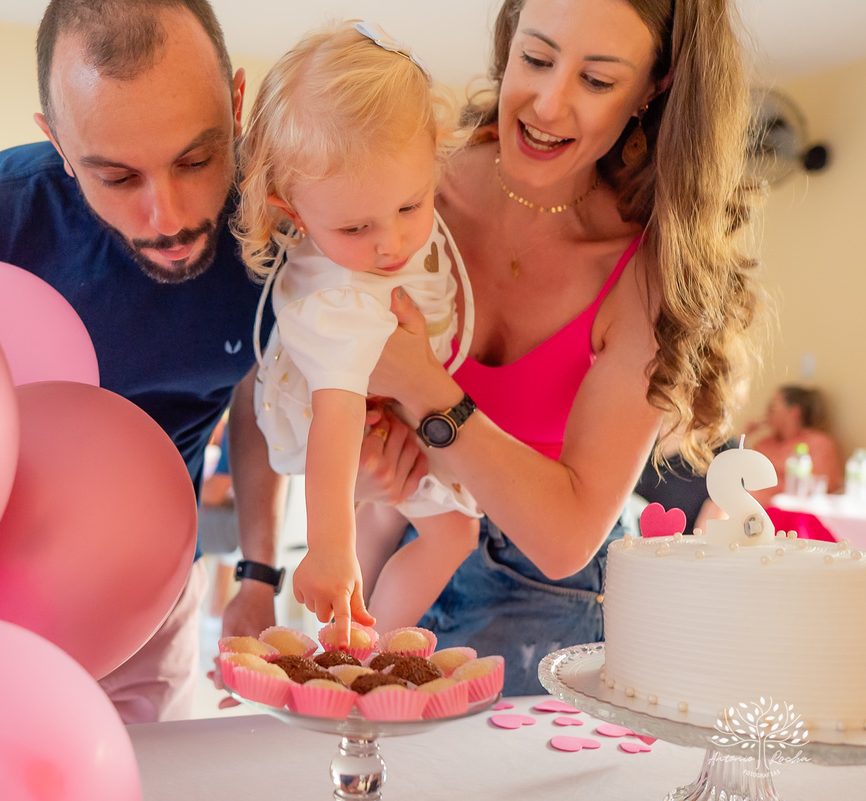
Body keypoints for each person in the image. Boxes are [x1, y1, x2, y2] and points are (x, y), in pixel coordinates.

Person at [356, 0, 763, 695]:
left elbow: (566, 535)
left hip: (548, 593)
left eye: (597, 81)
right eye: (537, 58)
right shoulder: (413, 189)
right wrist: (366, 472)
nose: (548, 104)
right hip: (395, 542)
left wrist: (428, 392)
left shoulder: (641, 272)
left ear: (652, 89)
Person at [0, 0, 287, 723]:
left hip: (156, 595)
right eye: (118, 178)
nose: (170, 216)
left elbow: (258, 396)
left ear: (238, 102)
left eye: (197, 158)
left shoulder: (278, 227)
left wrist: (258, 571)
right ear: (57, 143)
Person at [234, 20, 481, 644]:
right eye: (355, 229)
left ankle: (344, 646)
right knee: (455, 532)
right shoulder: (342, 297)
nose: (391, 243)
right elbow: (335, 418)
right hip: (333, 418)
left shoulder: (365, 203)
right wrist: (326, 546)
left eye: (410, 205)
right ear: (293, 213)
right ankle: (370, 649)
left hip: (371, 404)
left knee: (388, 509)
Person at [742, 384, 844, 504]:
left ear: (794, 412)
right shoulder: (764, 444)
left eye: (772, 408)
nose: (766, 414)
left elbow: (819, 489)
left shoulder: (819, 444)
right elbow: (739, 475)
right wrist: (744, 435)